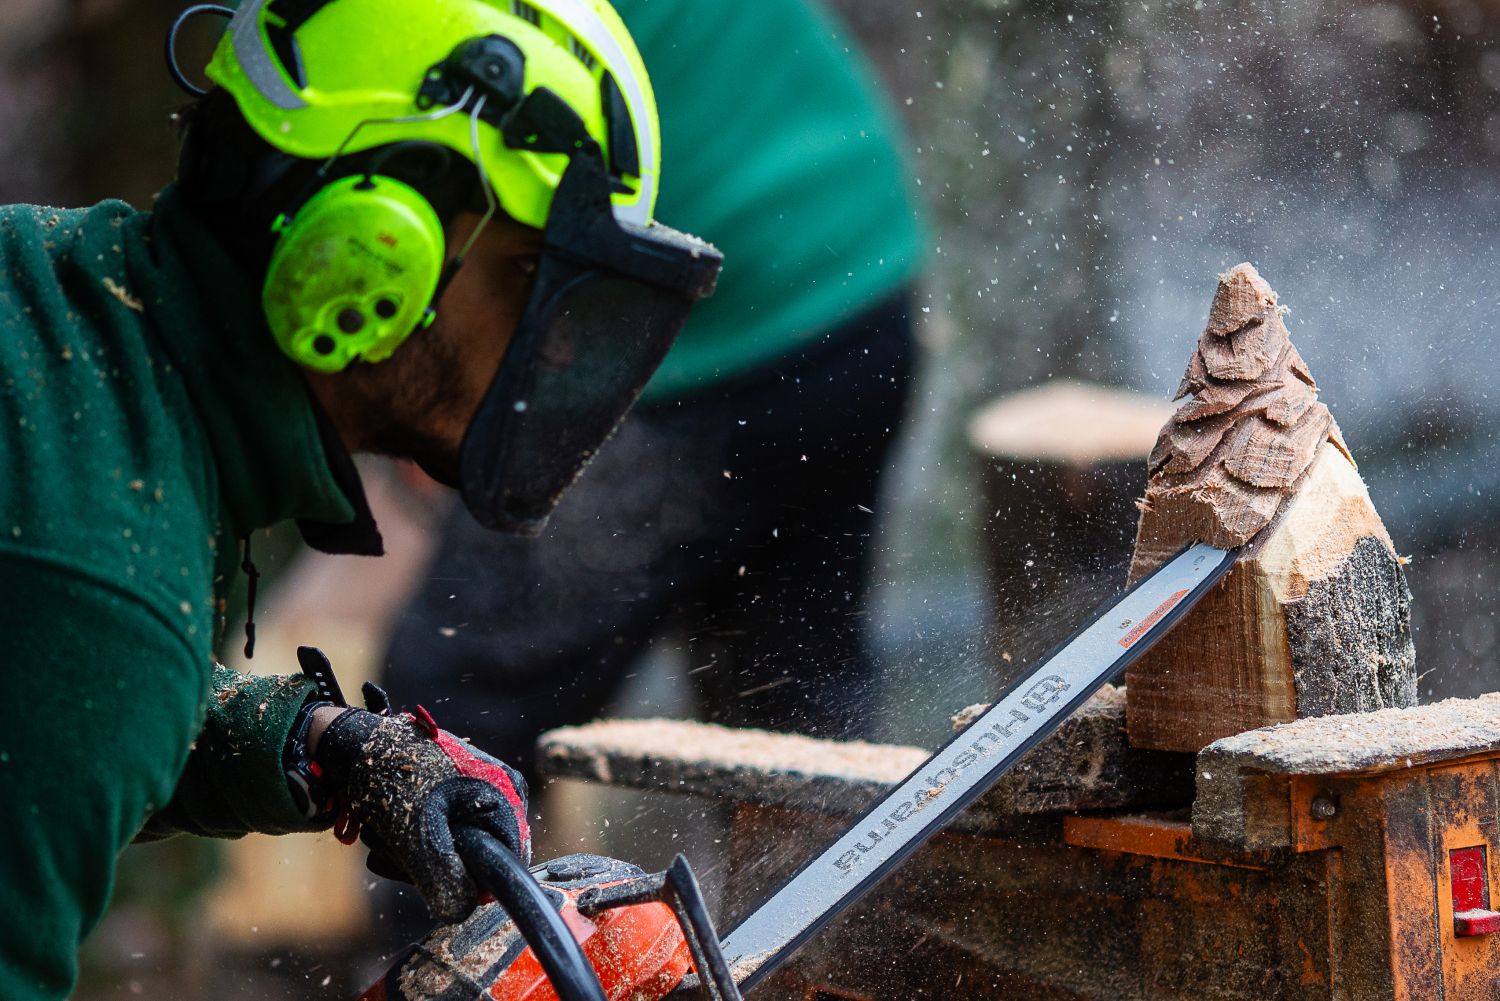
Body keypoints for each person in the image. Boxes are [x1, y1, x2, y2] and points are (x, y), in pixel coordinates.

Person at [0, 0, 720, 997]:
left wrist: (324, 744)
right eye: (526, 275)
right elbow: (84, 662)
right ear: (381, 241)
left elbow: (40, 691)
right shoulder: (101, 583)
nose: (547, 346)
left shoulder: (68, 349)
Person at [381, 0, 925, 777]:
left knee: (447, 717)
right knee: (792, 737)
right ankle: (837, 892)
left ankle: (489, 902)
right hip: (858, 260)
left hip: (722, 318)